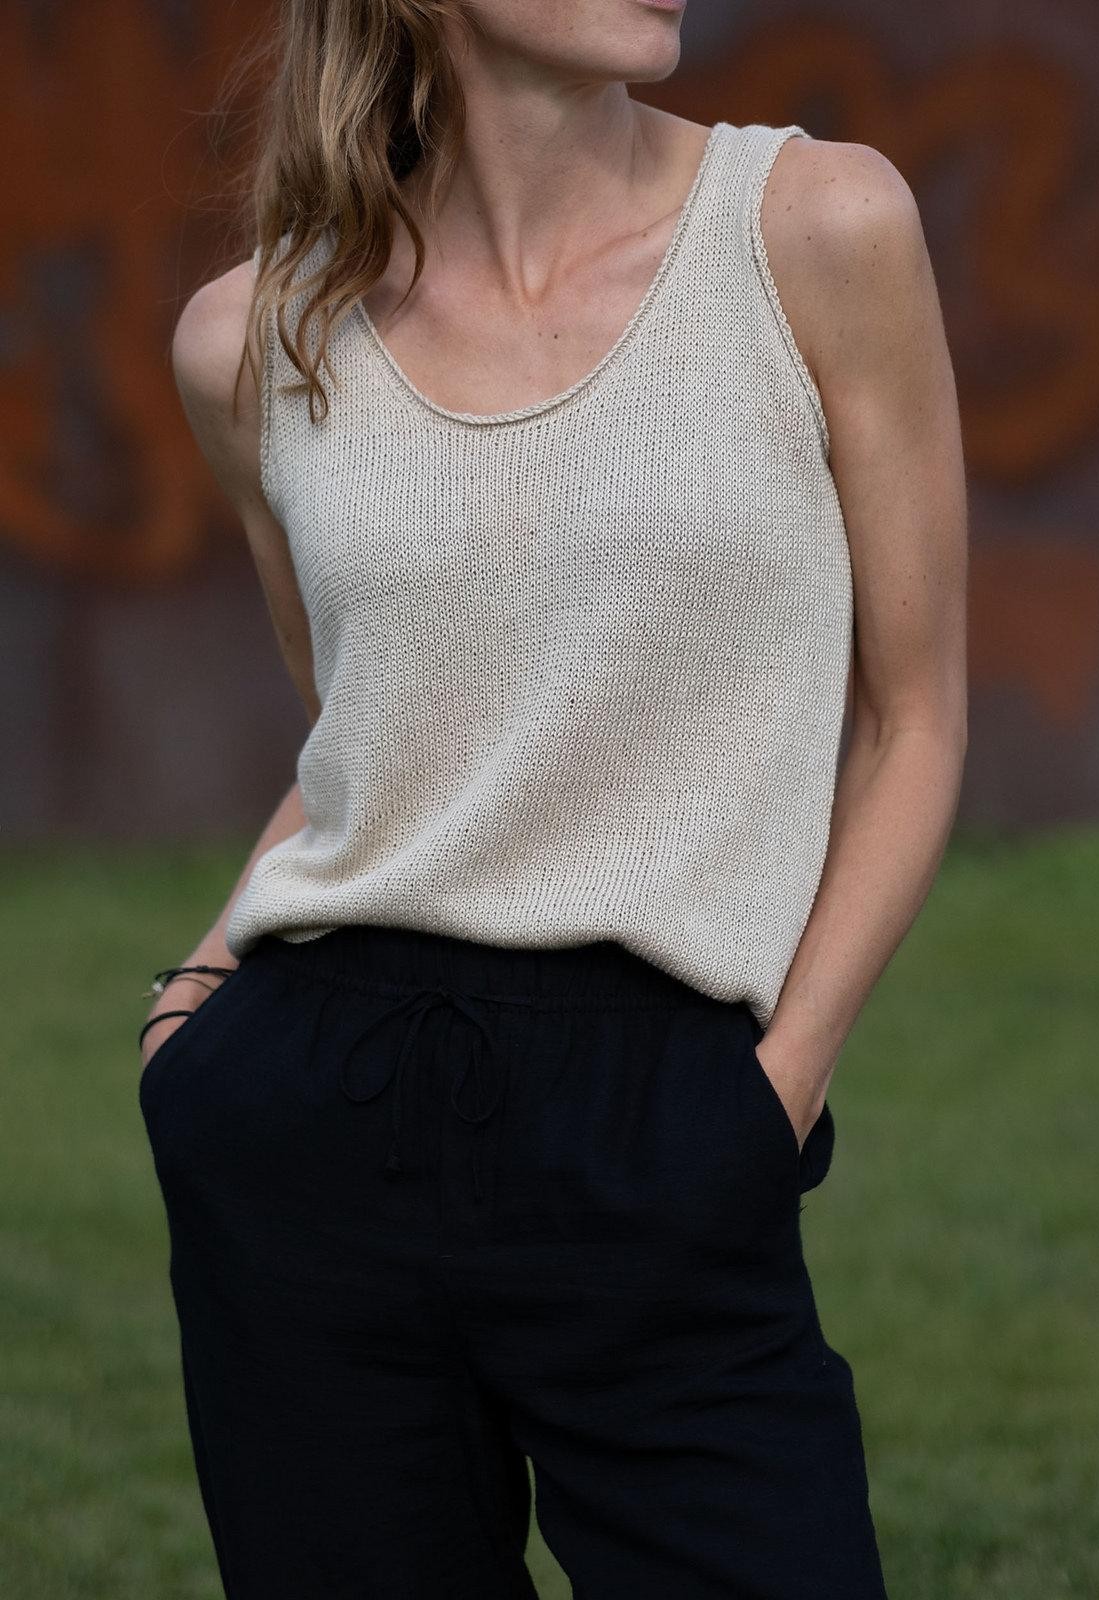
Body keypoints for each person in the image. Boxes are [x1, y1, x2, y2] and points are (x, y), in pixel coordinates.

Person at [139, 1, 968, 1595]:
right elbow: (363, 745)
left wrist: (773, 1093)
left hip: (662, 1115)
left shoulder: (817, 228)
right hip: (308, 1117)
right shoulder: (253, 335)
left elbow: (913, 716)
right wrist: (190, 1023)